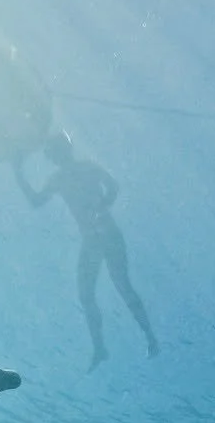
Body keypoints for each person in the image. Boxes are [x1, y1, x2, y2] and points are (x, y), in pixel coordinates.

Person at [14, 131, 160, 369]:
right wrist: (105, 202)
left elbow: (37, 201)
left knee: (115, 288)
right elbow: (112, 187)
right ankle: (114, 344)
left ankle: (137, 339)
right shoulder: (67, 175)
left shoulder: (67, 175)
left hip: (102, 235)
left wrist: (18, 172)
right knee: (99, 291)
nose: (54, 157)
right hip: (98, 236)